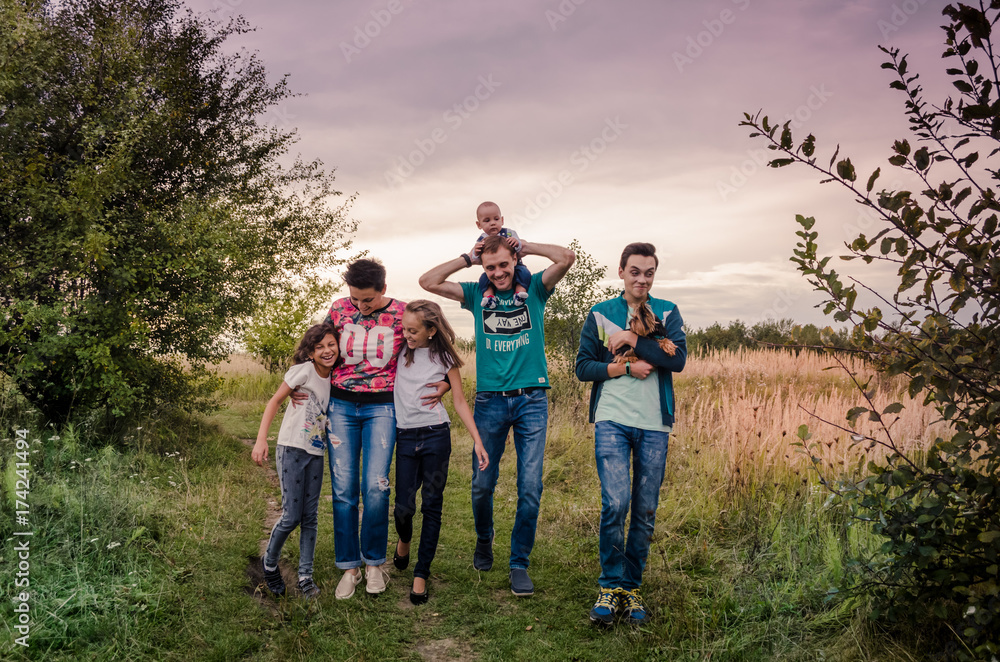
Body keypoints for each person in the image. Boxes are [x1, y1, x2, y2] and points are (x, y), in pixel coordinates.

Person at [420, 233, 575, 597]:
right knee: (481, 485)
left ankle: (519, 562)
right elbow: (428, 282)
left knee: (531, 487)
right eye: (491, 267)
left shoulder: (535, 288)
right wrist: (467, 259)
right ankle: (484, 538)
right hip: (490, 401)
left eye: (504, 265)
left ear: (514, 262)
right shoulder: (476, 294)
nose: (499, 272)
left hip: (531, 400)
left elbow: (566, 257)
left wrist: (527, 247)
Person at [575, 242, 687, 626]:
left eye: (649, 272)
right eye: (635, 271)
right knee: (617, 502)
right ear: (621, 271)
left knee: (645, 509)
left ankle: (632, 587)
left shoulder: (667, 312)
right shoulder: (599, 313)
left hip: (655, 423)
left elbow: (678, 360)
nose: (642, 278)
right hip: (612, 419)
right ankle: (609, 585)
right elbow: (583, 367)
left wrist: (633, 341)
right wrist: (625, 368)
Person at [391, 300, 490, 604]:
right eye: (405, 328)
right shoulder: (399, 349)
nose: (406, 334)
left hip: (435, 436)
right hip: (406, 438)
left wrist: (477, 439)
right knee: (403, 507)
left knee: (432, 505)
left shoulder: (443, 356)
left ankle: (422, 573)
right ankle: (405, 539)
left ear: (431, 330)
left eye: (413, 330)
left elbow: (459, 400)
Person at [251, 322, 340, 600]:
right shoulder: (302, 371)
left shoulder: (335, 378)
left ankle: (305, 576)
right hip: (291, 448)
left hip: (315, 453)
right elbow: (274, 402)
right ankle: (269, 564)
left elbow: (320, 412)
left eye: (331, 344)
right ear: (310, 352)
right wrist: (261, 439)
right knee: (291, 516)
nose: (326, 351)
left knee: (310, 517)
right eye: (319, 347)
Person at [472, 201, 531, 310]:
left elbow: (519, 247)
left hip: (515, 267)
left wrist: (516, 242)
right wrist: (476, 251)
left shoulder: (509, 233)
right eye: (487, 220)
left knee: (524, 273)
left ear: (502, 220)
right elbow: (475, 258)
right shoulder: (482, 239)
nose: (493, 223)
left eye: (496, 219)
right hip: (492, 272)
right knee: (483, 279)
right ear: (479, 225)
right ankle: (489, 297)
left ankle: (519, 293)